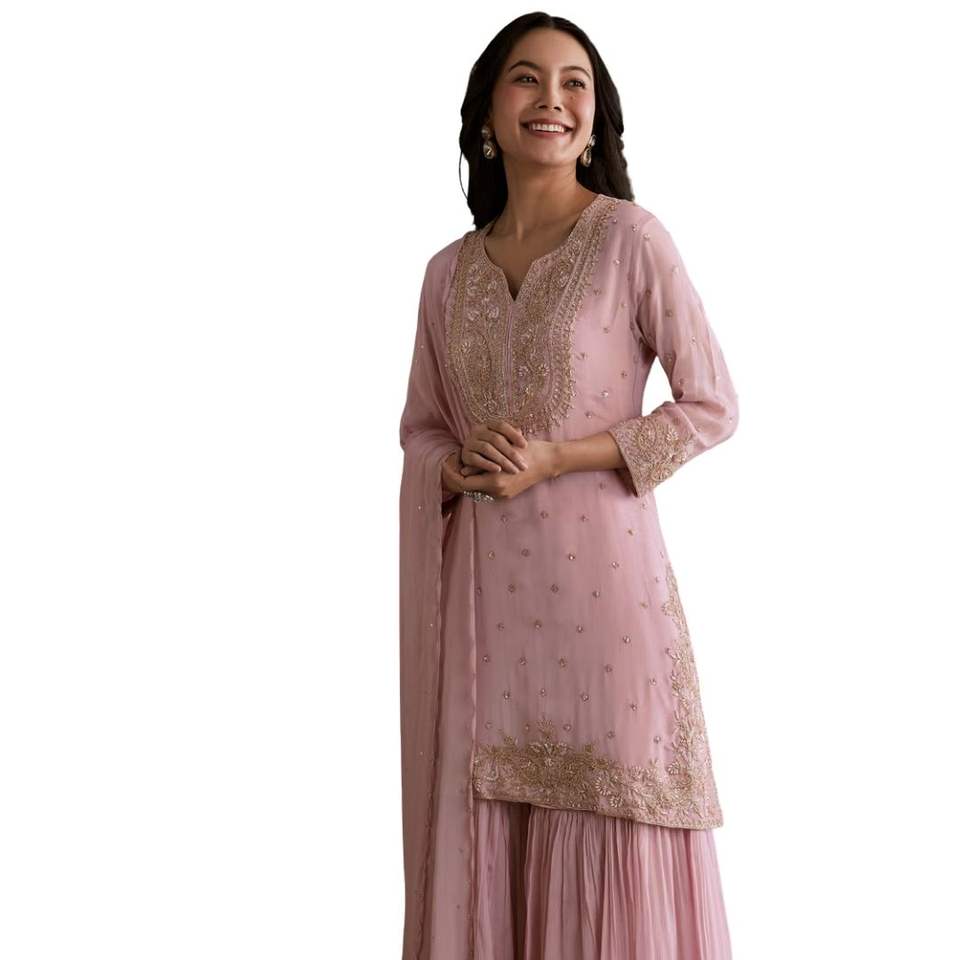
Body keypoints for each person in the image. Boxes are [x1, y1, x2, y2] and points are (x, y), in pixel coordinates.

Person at [398, 13, 739, 960]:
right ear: (486, 115)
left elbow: (712, 404)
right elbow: (421, 427)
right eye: (526, 78)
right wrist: (450, 464)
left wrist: (563, 456)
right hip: (484, 622)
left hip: (606, 608)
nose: (551, 99)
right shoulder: (445, 276)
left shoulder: (630, 239)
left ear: (595, 118)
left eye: (574, 82)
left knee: (612, 826)